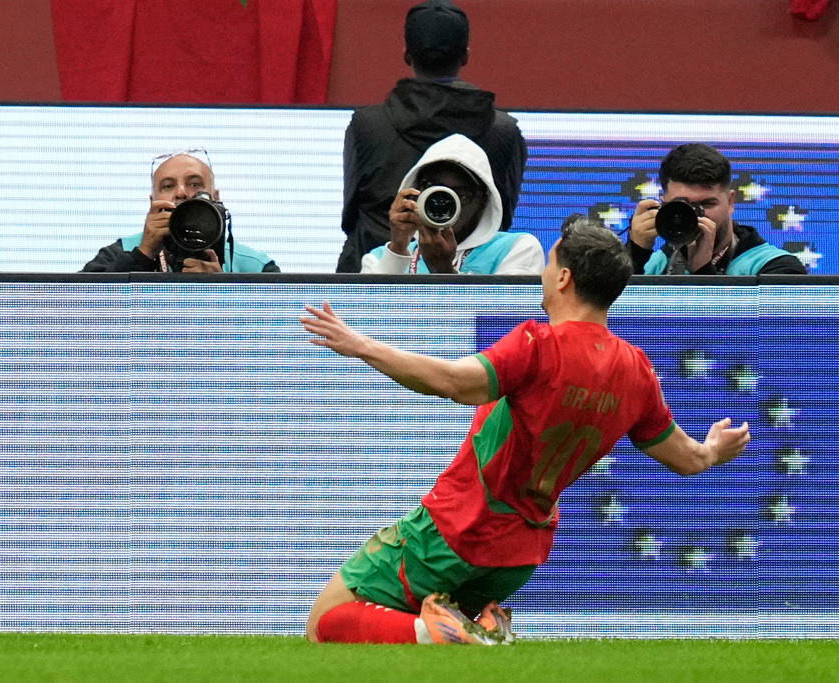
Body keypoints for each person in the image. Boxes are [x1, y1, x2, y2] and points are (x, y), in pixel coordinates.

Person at [300, 215, 751, 645]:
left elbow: (455, 384)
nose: (543, 273)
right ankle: (479, 627)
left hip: (458, 529)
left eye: (550, 263)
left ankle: (442, 632)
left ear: (564, 278)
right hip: (521, 554)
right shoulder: (636, 369)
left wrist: (360, 344)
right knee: (425, 642)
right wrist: (714, 448)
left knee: (328, 620)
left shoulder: (539, 343)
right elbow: (689, 459)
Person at [335, 0, 527, 273]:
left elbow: (351, 216)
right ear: (465, 56)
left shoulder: (367, 125)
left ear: (406, 54)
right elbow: (501, 217)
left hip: (373, 283)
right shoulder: (504, 131)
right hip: (420, 270)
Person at [361, 134, 544, 275]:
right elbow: (367, 320)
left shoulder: (516, 249)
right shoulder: (379, 259)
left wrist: (443, 270)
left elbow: (504, 323)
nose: (445, 200)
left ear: (484, 202)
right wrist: (398, 250)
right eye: (433, 188)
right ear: (414, 191)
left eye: (461, 193)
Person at [82, 149, 279, 273]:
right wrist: (142, 255)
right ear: (153, 201)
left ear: (216, 197)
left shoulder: (255, 267)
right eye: (168, 186)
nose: (182, 193)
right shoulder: (118, 254)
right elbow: (82, 319)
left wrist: (220, 292)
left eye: (194, 184)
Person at [627, 143, 807, 276]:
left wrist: (702, 271)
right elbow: (610, 319)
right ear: (664, 204)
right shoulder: (655, 264)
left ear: (730, 202)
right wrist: (635, 253)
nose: (696, 215)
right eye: (683, 204)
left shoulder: (779, 267)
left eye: (707, 204)